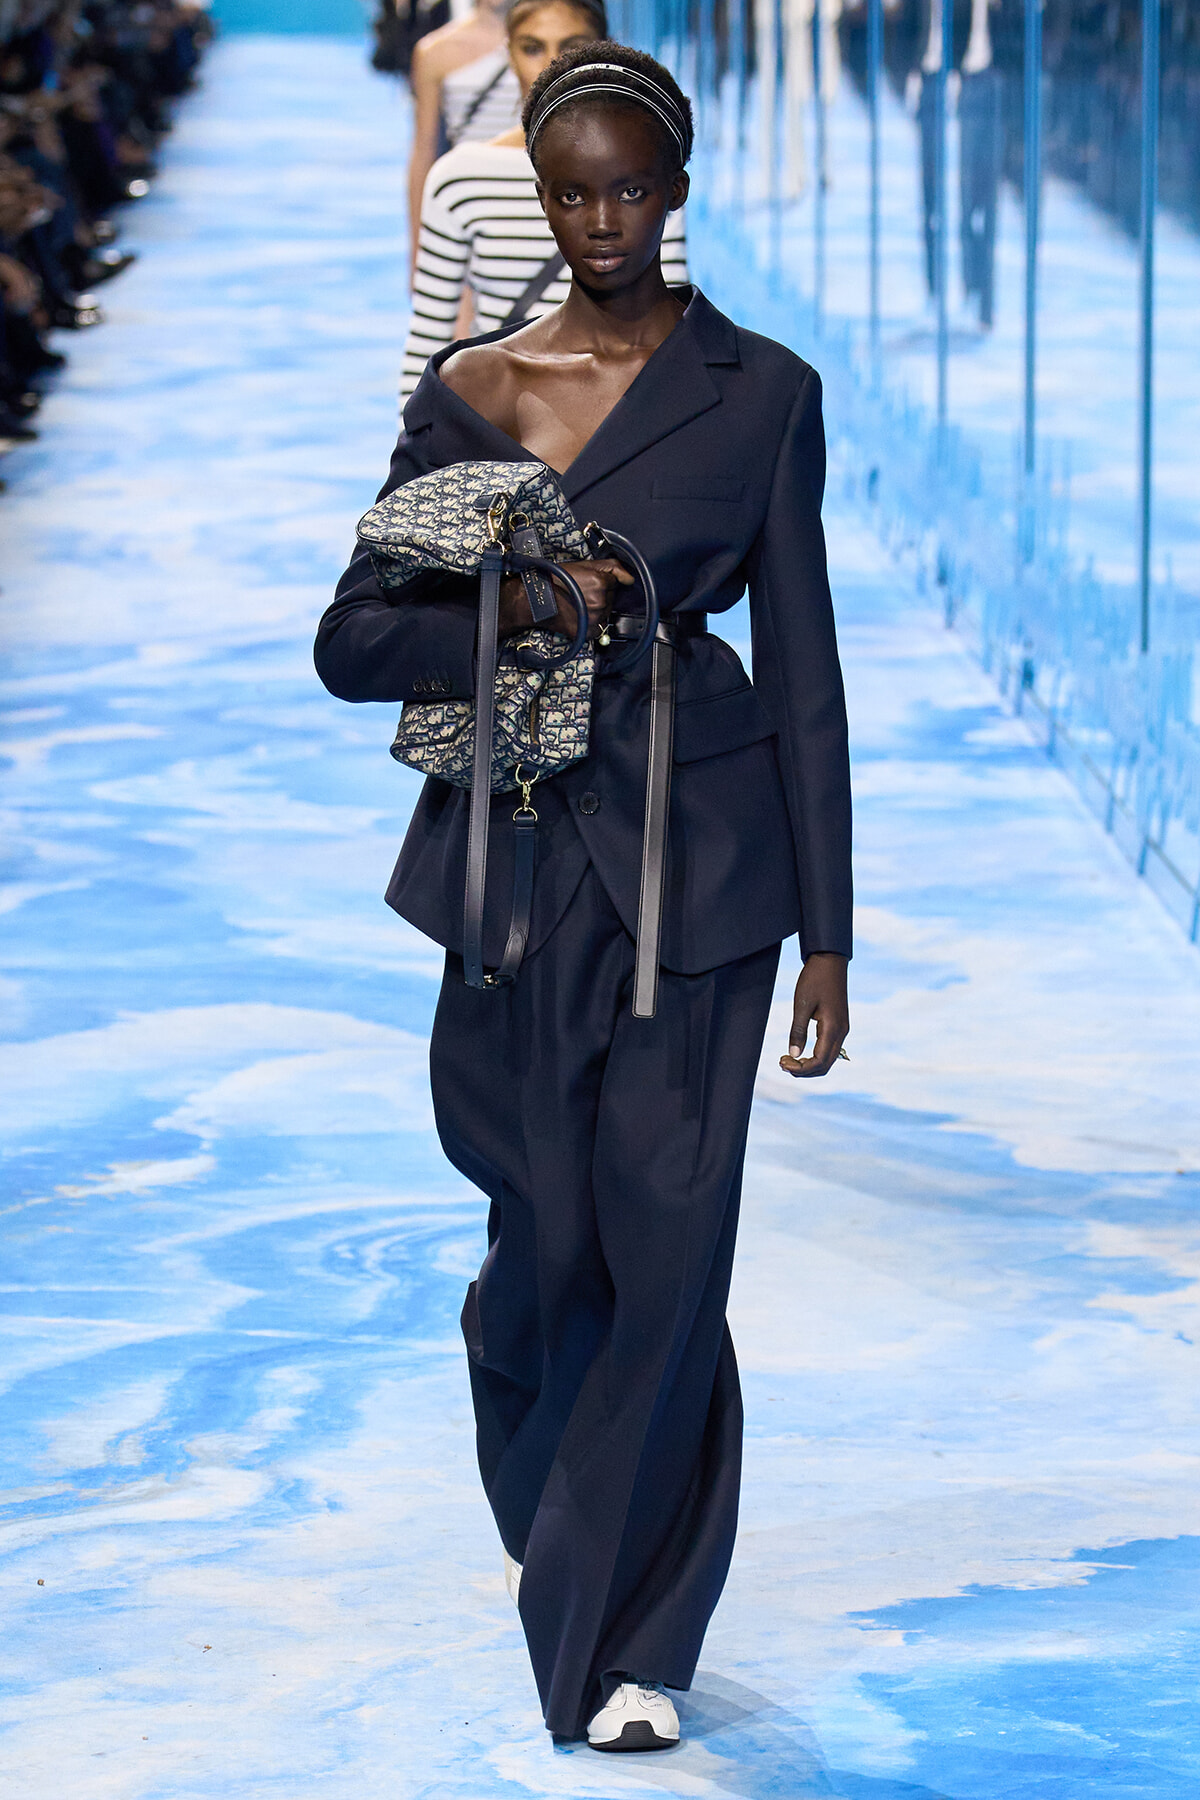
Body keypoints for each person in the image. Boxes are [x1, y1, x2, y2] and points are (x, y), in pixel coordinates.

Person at [316, 41, 851, 1752]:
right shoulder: (477, 396)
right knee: (543, 1261)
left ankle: (636, 1644)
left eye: (635, 188)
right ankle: (570, 1537)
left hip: (706, 863)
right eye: (575, 190)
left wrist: (830, 930)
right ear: (539, 196)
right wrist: (527, 608)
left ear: (678, 192)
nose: (606, 218)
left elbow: (813, 670)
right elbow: (352, 642)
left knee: (672, 1247)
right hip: (519, 868)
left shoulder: (761, 391)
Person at [399, 0, 687, 401]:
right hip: (502, 417)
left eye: (572, 45)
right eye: (532, 47)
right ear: (509, 56)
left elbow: (671, 313)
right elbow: (424, 346)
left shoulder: (644, 173)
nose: (552, 64)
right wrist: (415, 454)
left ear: (601, 49)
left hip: (622, 408)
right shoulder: (461, 177)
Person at [405, 0, 522, 281]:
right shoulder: (434, 52)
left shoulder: (553, 41)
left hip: (535, 204)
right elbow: (423, 154)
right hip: (467, 208)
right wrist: (418, 253)